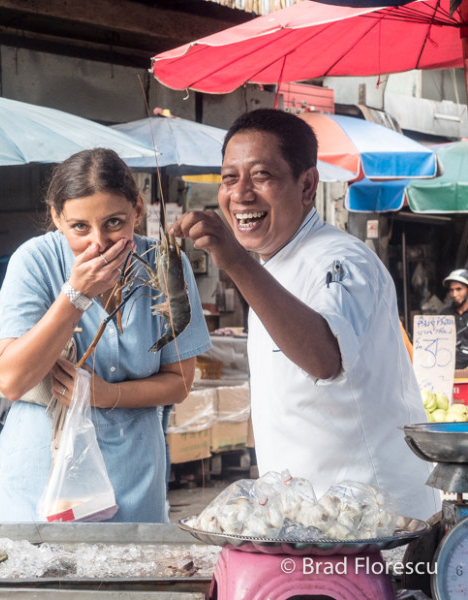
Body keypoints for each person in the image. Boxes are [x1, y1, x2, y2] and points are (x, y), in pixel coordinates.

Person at [169, 109, 439, 521]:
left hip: (377, 523)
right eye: (229, 177)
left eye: (261, 176)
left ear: (307, 185)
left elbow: (323, 357)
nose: (240, 193)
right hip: (313, 520)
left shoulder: (342, 261)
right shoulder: (271, 266)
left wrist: (237, 262)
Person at [0, 148, 210, 522]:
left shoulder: (166, 263)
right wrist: (75, 296)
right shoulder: (34, 261)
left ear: (137, 209)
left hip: (133, 479)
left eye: (115, 222)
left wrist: (108, 395)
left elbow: (180, 381)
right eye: (79, 227)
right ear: (56, 217)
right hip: (39, 481)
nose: (98, 242)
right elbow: (12, 380)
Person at [440, 268, 468, 369]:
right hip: (448, 370)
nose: (454, 294)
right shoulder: (445, 314)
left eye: (459, 289)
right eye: (451, 290)